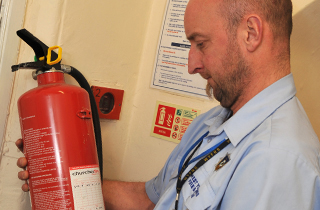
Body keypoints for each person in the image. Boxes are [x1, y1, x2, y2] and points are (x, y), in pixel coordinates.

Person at [17, 0, 320, 209]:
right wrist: (61, 178)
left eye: (201, 43)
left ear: (251, 33)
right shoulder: (214, 122)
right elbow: (150, 199)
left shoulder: (278, 160)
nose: (191, 65)